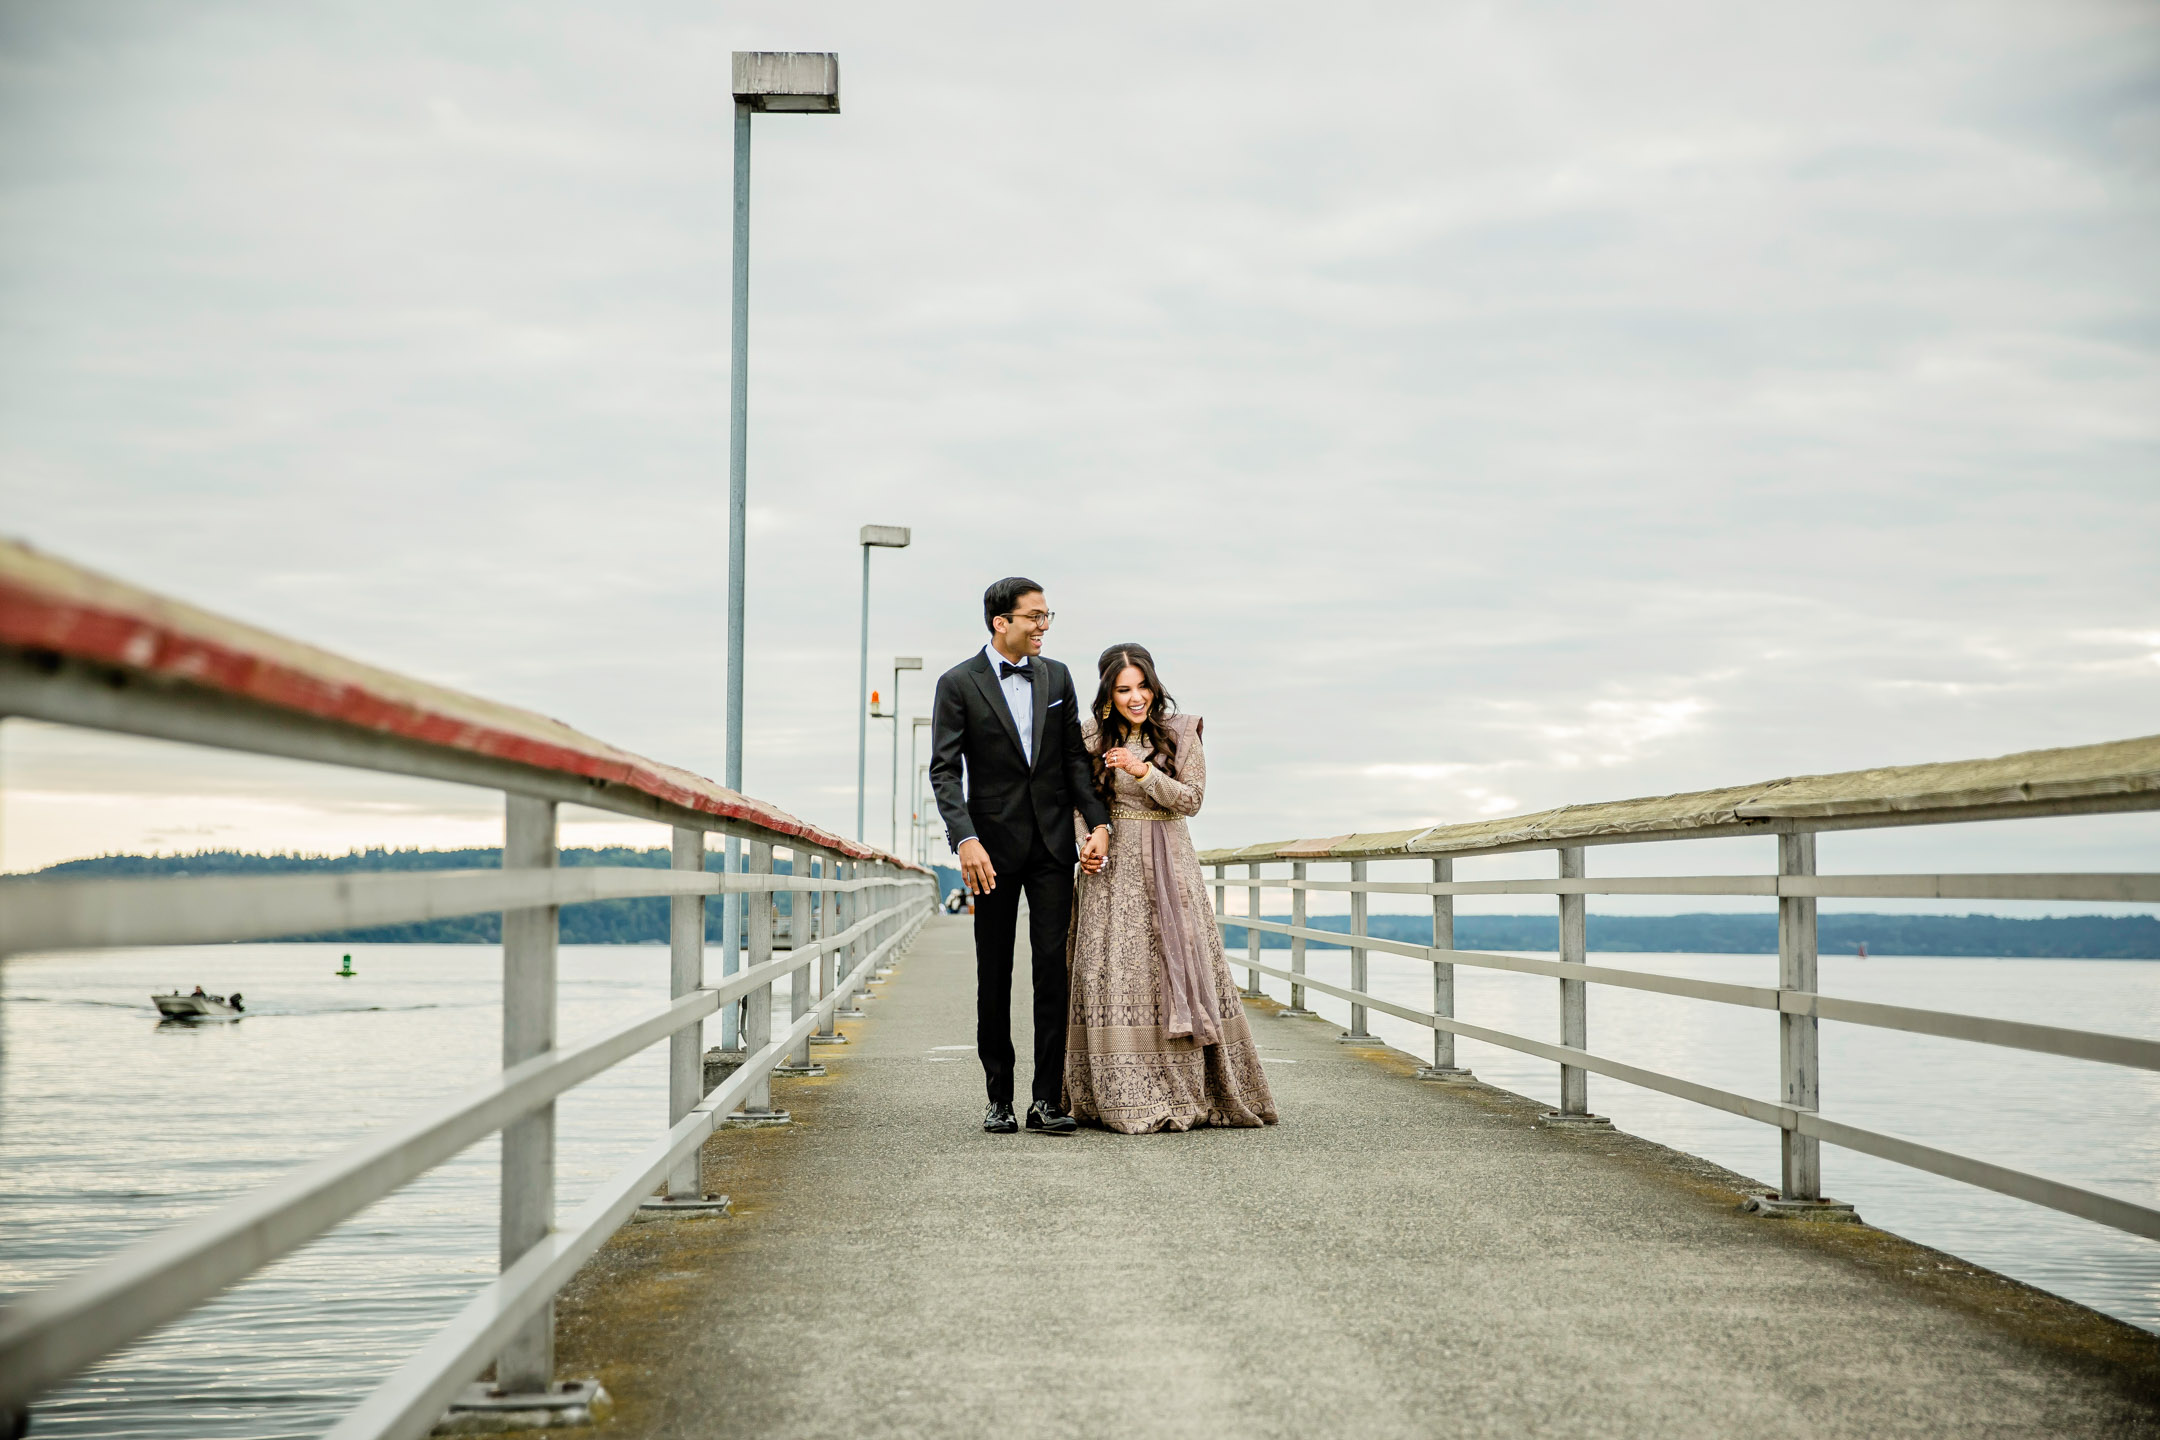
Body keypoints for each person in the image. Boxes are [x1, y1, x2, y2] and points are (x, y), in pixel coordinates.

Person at [1064, 644, 1277, 1133]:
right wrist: (1086, 845)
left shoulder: (1181, 732)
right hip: (1112, 867)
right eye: (1123, 689)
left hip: (1171, 863)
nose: (1135, 697)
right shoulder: (1089, 736)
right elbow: (1078, 801)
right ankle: (1116, 1092)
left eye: (1142, 686)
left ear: (1155, 686)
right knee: (1113, 970)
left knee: (1176, 964)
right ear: (1108, 692)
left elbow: (1192, 800)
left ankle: (1193, 1087)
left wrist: (1144, 771)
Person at [930, 577, 1112, 1135]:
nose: (1044, 626)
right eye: (1034, 616)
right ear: (999, 622)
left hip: (1054, 845)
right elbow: (944, 771)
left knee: (1051, 971)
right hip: (990, 849)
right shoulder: (958, 683)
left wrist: (1098, 824)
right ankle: (999, 1098)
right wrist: (965, 840)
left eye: (1047, 615)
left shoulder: (1057, 676)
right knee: (995, 972)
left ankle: (1046, 1100)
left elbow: (1074, 763)